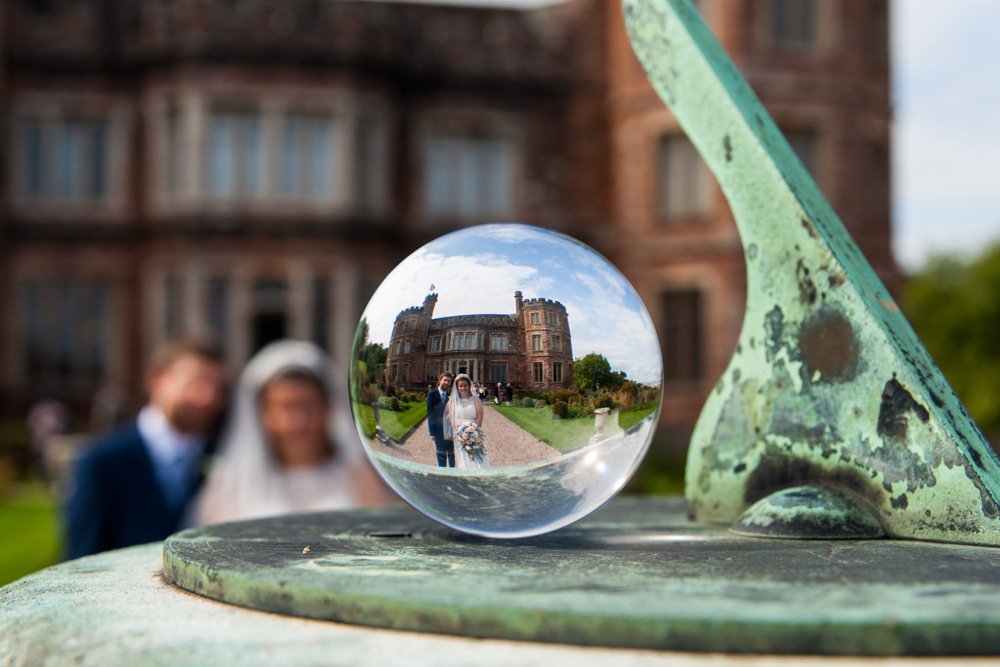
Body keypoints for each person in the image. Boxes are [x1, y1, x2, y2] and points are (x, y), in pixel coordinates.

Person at [195, 340, 392, 524]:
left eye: (308, 405)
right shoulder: (231, 485)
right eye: (285, 407)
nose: (299, 422)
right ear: (263, 413)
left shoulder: (362, 474)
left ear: (327, 407)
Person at [63, 338, 227, 559]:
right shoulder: (102, 461)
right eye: (195, 383)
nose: (207, 397)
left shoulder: (223, 458)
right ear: (156, 381)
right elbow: (81, 558)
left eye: (216, 387)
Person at [447, 373, 490, 470]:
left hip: (473, 432)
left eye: (465, 385)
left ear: (469, 386)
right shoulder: (452, 401)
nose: (463, 388)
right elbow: (451, 417)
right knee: (462, 457)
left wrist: (474, 432)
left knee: (476, 455)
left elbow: (479, 417)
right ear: (457, 387)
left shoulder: (476, 400)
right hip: (458, 433)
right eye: (460, 386)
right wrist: (459, 432)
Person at [426, 372, 455, 467]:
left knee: (451, 454)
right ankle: (443, 476)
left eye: (449, 381)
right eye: (445, 380)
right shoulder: (432, 394)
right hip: (438, 431)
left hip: (450, 430)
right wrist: (432, 433)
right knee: (441, 455)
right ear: (440, 381)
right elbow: (430, 414)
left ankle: (452, 474)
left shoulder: (450, 396)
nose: (446, 383)